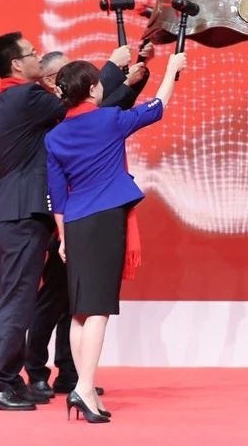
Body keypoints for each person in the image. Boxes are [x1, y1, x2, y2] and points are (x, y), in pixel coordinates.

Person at [45, 52, 187, 423]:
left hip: (76, 223)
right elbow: (157, 107)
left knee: (80, 312)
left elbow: (56, 194)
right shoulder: (108, 119)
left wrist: (63, 237)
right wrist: (171, 70)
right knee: (98, 310)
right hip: (105, 220)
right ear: (93, 89)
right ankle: (83, 388)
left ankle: (86, 388)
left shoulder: (54, 136)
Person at [25, 44, 153, 399]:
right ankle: (37, 369)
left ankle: (73, 375)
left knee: (76, 303)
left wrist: (132, 80)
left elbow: (104, 110)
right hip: (64, 213)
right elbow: (93, 112)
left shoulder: (77, 110)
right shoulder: (44, 106)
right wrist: (113, 66)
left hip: (78, 214)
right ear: (53, 81)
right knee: (55, 298)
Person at [0, 31, 65, 411]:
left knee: (21, 300)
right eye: (32, 53)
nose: (38, 57)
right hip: (21, 214)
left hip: (17, 214)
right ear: (16, 64)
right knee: (16, 301)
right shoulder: (26, 96)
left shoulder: (13, 99)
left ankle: (10, 379)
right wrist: (115, 69)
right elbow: (79, 100)